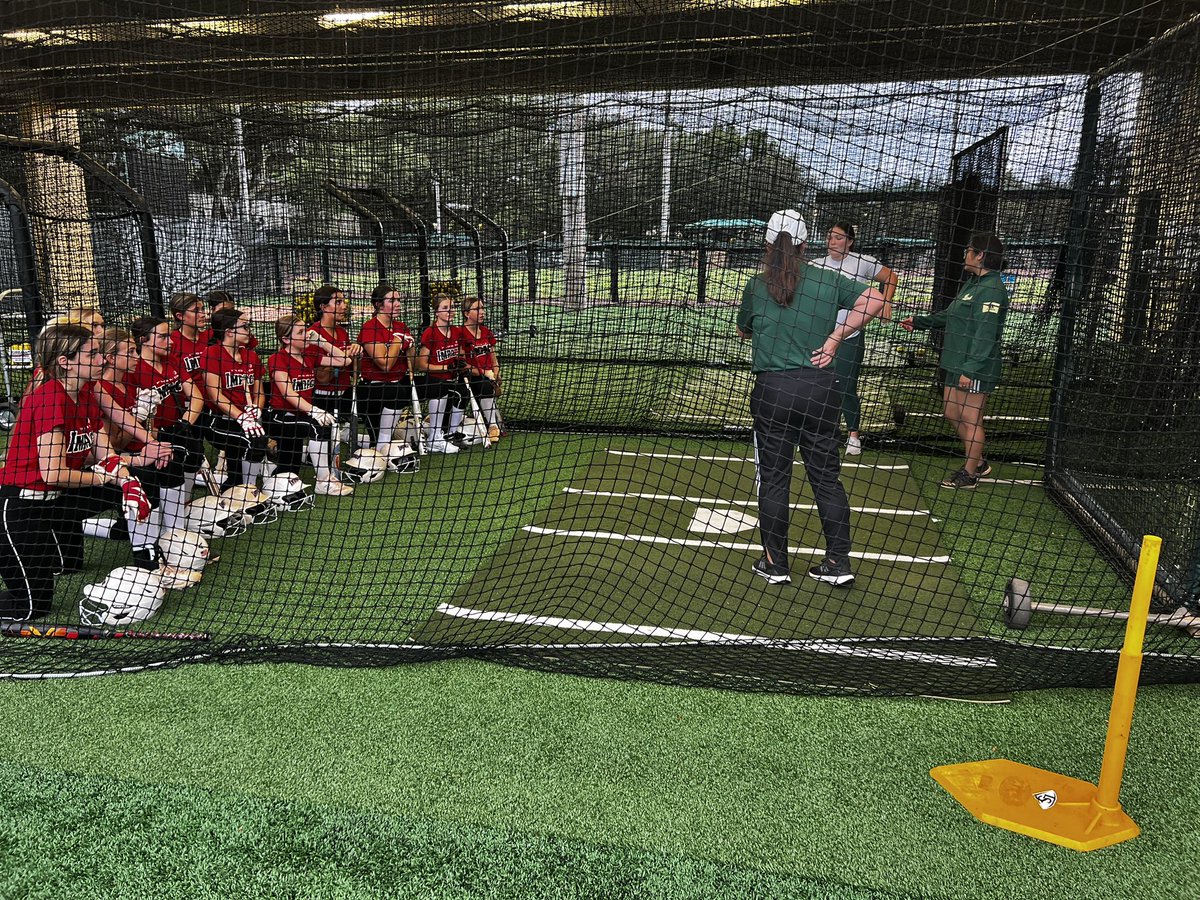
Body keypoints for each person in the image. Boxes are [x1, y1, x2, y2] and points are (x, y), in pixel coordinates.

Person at [736, 209, 886, 586]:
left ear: (769, 244)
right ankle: (837, 564)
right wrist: (835, 338)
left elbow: (744, 330)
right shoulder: (828, 278)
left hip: (773, 391)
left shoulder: (757, 284)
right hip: (820, 389)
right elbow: (876, 300)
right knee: (825, 477)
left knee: (773, 479)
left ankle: (776, 564)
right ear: (805, 244)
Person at [0, 324, 153, 620]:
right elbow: (54, 473)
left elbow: (105, 455)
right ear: (65, 362)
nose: (102, 360)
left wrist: (126, 480)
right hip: (20, 507)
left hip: (56, 502)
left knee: (130, 485)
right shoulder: (50, 399)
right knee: (32, 607)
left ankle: (149, 556)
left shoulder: (85, 395)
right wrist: (108, 477)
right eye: (93, 354)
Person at [900, 232, 1009, 489]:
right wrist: (919, 322)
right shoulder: (972, 284)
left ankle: (970, 475)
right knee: (951, 411)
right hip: (954, 362)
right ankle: (979, 461)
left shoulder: (992, 290)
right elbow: (949, 315)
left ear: (980, 256)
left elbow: (985, 334)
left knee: (971, 419)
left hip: (975, 367)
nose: (965, 254)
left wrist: (971, 369)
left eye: (969, 250)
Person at [90, 327, 181, 566]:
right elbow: (112, 446)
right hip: (111, 459)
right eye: (130, 351)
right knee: (147, 476)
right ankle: (146, 557)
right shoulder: (102, 388)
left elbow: (147, 433)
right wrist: (140, 418)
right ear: (111, 358)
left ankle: (174, 538)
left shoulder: (128, 383)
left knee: (170, 460)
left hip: (133, 452)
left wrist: (152, 437)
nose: (137, 356)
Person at [808, 222, 897, 456]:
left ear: (850, 241)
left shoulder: (862, 262)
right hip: (820, 335)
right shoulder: (816, 265)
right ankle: (816, 432)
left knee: (846, 386)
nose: (832, 241)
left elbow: (890, 277)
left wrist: (886, 302)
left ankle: (853, 436)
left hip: (850, 336)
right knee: (816, 385)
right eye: (830, 237)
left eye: (838, 237)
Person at [127, 315, 207, 529]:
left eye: (169, 336)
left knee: (194, 454)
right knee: (173, 462)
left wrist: (184, 423)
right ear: (143, 340)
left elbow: (197, 397)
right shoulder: (134, 369)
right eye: (163, 337)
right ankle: (171, 525)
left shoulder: (172, 360)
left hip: (177, 426)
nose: (170, 341)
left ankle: (180, 509)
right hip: (149, 435)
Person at [265, 315, 353, 497]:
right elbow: (288, 393)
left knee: (289, 470)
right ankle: (323, 481)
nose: (307, 335)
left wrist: (321, 342)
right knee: (317, 427)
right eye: (301, 332)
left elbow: (345, 360)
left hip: (300, 416)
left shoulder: (310, 354)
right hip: (280, 416)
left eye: (306, 330)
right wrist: (315, 410)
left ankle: (271, 466)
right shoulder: (277, 359)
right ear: (286, 339)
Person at [199, 307, 268, 491]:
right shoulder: (212, 353)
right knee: (252, 441)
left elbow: (259, 391)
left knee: (256, 440)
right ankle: (247, 491)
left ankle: (246, 489)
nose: (249, 331)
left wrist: (257, 408)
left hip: (246, 419)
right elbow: (215, 395)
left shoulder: (250, 355)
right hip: (219, 421)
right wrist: (241, 417)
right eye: (245, 327)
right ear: (229, 332)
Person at [356, 283, 417, 457]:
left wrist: (411, 345)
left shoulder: (401, 326)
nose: (397, 303)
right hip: (373, 387)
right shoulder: (370, 327)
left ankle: (437, 436)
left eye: (398, 299)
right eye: (392, 300)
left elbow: (414, 364)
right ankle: (382, 446)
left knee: (439, 386)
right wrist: (399, 342)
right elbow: (384, 364)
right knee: (396, 391)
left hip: (399, 380)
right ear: (378, 304)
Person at [308, 283, 362, 428]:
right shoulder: (313, 334)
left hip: (345, 395)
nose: (344, 306)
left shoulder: (342, 332)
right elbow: (322, 378)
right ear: (323, 307)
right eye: (338, 302)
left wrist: (356, 353)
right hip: (323, 398)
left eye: (343, 301)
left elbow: (354, 372)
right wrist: (342, 358)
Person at [418, 293, 467, 453]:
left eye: (452, 307)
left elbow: (460, 353)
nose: (450, 311)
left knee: (463, 392)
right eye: (445, 308)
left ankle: (451, 434)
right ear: (436, 312)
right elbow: (422, 365)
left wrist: (460, 361)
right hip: (434, 380)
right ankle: (434, 437)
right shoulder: (430, 333)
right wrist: (445, 368)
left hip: (452, 379)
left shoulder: (456, 331)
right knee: (441, 388)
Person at [459, 297, 503, 443]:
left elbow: (493, 358)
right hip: (470, 377)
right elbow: (462, 363)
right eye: (477, 309)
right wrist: (484, 373)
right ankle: (492, 425)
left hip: (487, 376)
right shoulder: (461, 333)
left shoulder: (485, 331)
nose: (482, 312)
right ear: (466, 313)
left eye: (482, 308)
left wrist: (496, 374)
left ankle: (492, 425)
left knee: (486, 383)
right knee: (483, 383)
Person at [168, 292, 211, 387]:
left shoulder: (210, 336)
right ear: (180, 316)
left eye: (202, 309)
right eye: (196, 311)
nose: (202, 314)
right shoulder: (171, 341)